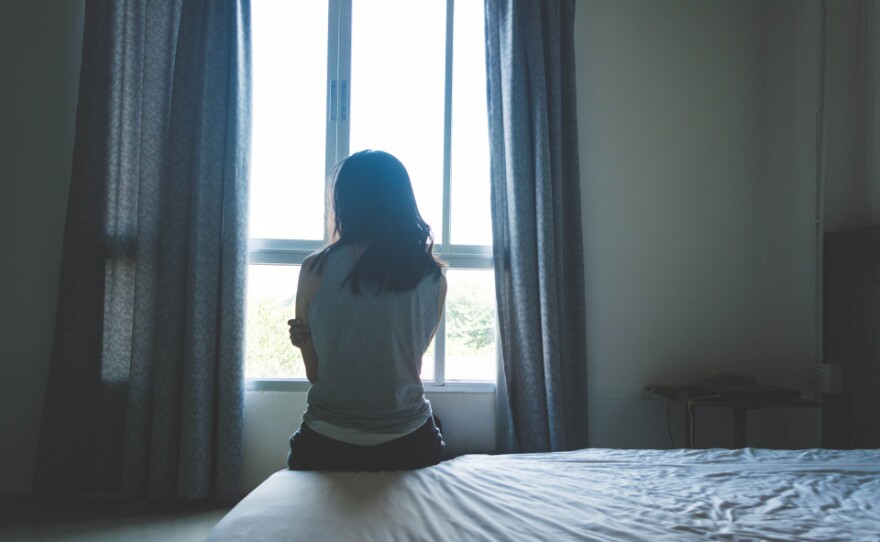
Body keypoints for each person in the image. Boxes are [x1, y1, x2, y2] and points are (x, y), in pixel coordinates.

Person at [286, 150, 447, 472]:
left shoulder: (315, 268)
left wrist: (306, 340)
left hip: (327, 442)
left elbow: (316, 375)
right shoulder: (433, 276)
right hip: (409, 442)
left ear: (344, 201)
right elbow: (405, 362)